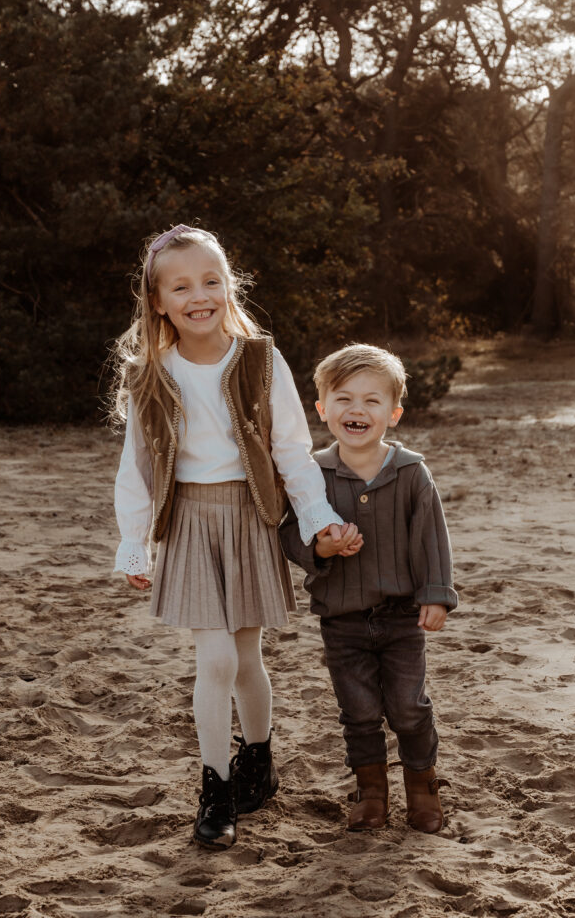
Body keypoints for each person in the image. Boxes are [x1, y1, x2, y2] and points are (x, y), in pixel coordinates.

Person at [110, 224, 361, 851]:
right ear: (159, 300)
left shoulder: (259, 359)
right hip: (190, 521)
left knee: (247, 658)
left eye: (211, 280)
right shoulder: (151, 372)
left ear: (229, 286)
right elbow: (137, 463)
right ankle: (216, 787)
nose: (200, 295)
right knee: (215, 658)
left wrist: (317, 519)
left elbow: (293, 451)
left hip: (249, 518)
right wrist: (135, 540)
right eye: (182, 285)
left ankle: (259, 761)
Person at [279, 343, 458, 834]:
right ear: (321, 408)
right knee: (357, 711)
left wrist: (436, 593)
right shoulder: (309, 474)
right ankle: (371, 791)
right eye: (343, 398)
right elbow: (289, 535)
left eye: (371, 401)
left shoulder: (409, 472)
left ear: (393, 413)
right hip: (341, 618)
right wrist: (323, 551)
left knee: (407, 706)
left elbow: (431, 535)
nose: (356, 410)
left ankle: (422, 786)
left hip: (402, 616)